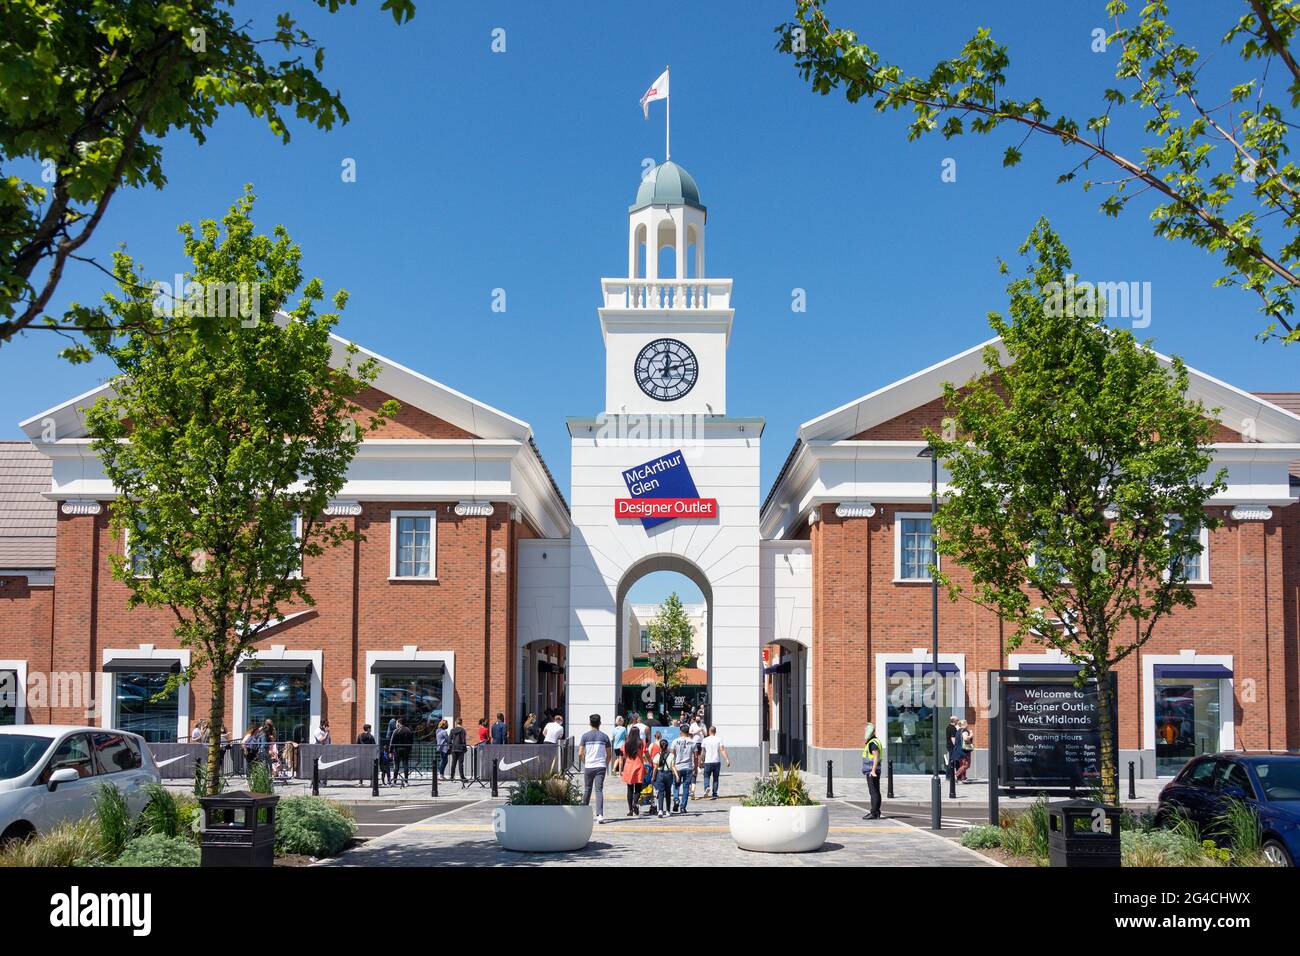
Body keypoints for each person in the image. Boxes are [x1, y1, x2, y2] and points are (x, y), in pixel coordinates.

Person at [577, 714, 612, 824]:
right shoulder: (605, 737)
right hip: (600, 766)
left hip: (589, 766)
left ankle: (583, 813)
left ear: (590, 723)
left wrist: (585, 762)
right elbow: (609, 754)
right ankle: (600, 815)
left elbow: (580, 753)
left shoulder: (585, 736)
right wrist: (605, 764)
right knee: (599, 790)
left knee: (587, 789)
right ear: (600, 723)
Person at [619, 725, 647, 816]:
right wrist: (650, 762)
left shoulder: (626, 743)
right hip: (639, 766)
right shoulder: (641, 742)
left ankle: (630, 810)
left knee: (629, 789)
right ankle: (635, 803)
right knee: (638, 788)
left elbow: (623, 755)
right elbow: (645, 753)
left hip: (629, 766)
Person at [670, 727, 696, 814]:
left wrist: (672, 766)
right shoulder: (693, 742)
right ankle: (683, 807)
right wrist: (695, 767)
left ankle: (676, 799)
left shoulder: (675, 741)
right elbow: (695, 756)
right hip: (688, 767)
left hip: (677, 766)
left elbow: (672, 754)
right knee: (686, 787)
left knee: (676, 785)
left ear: (681, 732)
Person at [699, 726, 730, 799]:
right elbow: (722, 750)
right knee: (715, 778)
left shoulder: (705, 740)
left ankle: (707, 787)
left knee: (706, 776)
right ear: (715, 732)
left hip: (707, 762)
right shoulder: (719, 739)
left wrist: (700, 761)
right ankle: (714, 793)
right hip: (716, 762)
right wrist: (727, 759)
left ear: (709, 732)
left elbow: (703, 752)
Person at [862, 722, 884, 819]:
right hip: (872, 770)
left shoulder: (873, 743)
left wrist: (873, 770)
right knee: (875, 791)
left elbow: (876, 757)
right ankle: (876, 812)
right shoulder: (874, 741)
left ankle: (874, 813)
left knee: (874, 792)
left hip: (872, 771)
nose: (864, 731)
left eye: (865, 730)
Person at [650, 732, 674, 817]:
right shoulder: (671, 755)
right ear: (667, 746)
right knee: (668, 792)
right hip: (669, 774)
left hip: (660, 774)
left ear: (660, 746)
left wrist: (653, 777)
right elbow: (673, 766)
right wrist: (676, 775)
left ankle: (660, 810)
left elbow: (655, 768)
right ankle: (668, 810)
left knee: (660, 793)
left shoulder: (657, 755)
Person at [391, 718, 415, 786]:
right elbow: (411, 742)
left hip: (397, 750)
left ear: (399, 723)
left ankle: (395, 781)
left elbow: (392, 742)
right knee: (406, 765)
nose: (396, 724)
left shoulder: (396, 731)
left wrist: (390, 751)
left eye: (397, 723)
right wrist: (410, 749)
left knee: (396, 765)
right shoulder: (409, 730)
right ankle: (406, 781)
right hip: (406, 749)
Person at [447, 718, 469, 782]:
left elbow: (449, 740)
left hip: (454, 748)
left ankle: (451, 777)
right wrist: (465, 748)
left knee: (453, 763)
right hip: (460, 748)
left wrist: (451, 746)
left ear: (456, 723)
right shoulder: (463, 730)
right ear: (461, 722)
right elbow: (463, 740)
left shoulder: (452, 730)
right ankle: (462, 777)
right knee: (460, 764)